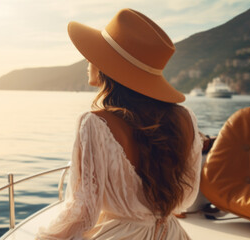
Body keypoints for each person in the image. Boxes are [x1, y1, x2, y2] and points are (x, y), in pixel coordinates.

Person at [36, 8, 203, 240]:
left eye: (93, 54)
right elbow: (187, 198)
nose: (87, 60)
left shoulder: (95, 124)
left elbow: (83, 210)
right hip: (172, 233)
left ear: (108, 66)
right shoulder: (186, 119)